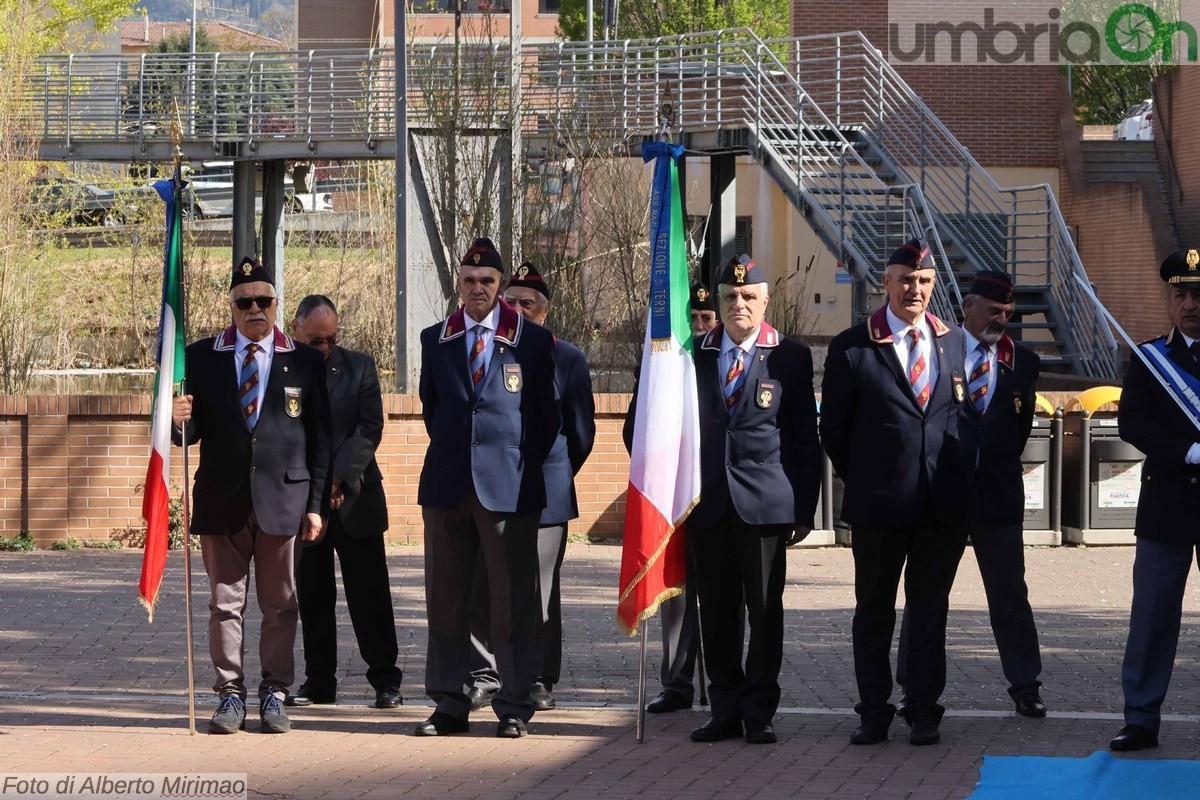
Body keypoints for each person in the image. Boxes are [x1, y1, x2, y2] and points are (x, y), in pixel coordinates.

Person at [171, 256, 331, 735]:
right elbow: (186, 437)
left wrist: (317, 504)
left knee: (280, 602)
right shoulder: (201, 357)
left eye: (263, 300)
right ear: (232, 307)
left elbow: (321, 437)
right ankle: (229, 695)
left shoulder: (303, 359)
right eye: (245, 302)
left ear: (277, 305)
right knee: (225, 602)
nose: (255, 309)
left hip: (284, 500)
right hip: (223, 499)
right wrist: (173, 416)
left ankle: (275, 692)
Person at [820, 239, 969, 747]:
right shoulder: (854, 345)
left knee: (930, 612)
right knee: (875, 612)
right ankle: (874, 711)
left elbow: (963, 419)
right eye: (906, 279)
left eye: (924, 281)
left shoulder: (954, 343)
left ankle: (924, 710)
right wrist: (867, 477)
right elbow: (833, 431)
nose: (915, 289)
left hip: (940, 507)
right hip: (879, 506)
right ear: (885, 282)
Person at [415, 237, 560, 739]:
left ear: (500, 287)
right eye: (470, 280)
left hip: (510, 488)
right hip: (448, 484)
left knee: (513, 602)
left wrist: (511, 462)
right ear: (459, 284)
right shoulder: (436, 338)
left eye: (488, 281)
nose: (478, 288)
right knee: (447, 601)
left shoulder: (533, 342)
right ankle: (450, 705)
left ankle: (516, 705)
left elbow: (545, 419)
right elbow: (433, 409)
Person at [897, 271, 1047, 718]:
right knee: (927, 594)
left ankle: (1026, 685)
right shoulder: (941, 349)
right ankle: (915, 684)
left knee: (1008, 594)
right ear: (968, 308)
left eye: (1007, 313)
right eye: (992, 311)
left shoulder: (1023, 360)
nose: (1000, 320)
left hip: (998, 497)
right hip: (943, 494)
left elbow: (1017, 429)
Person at [686, 256, 821, 745]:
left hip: (765, 504)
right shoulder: (693, 352)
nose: (738, 304)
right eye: (730, 297)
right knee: (717, 610)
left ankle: (759, 709)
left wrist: (804, 507)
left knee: (764, 611)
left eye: (748, 297)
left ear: (765, 301)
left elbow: (805, 438)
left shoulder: (789, 356)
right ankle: (724, 708)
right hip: (708, 503)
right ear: (718, 302)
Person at [467, 262, 596, 712]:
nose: (518, 308)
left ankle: (539, 676)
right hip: (495, 489)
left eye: (528, 303)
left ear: (544, 311)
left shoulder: (567, 357)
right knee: (486, 581)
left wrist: (552, 473)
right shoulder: (491, 348)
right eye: (513, 301)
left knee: (538, 590)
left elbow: (580, 433)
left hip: (545, 491)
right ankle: (486, 673)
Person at [288, 295, 404, 711]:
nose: (324, 347)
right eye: (316, 339)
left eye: (331, 339)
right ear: (296, 328)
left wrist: (339, 476)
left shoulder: (358, 366)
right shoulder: (284, 367)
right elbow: (285, 434)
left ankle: (386, 681)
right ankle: (320, 681)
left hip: (356, 497)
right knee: (313, 594)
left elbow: (370, 425)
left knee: (370, 594)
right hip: (305, 502)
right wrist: (318, 486)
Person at [1110, 248, 1200, 752]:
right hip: (1167, 505)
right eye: (1181, 294)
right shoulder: (1150, 359)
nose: (1190, 303)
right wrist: (1187, 450)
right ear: (1169, 299)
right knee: (1152, 616)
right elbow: (1133, 423)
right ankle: (1141, 717)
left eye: (1198, 294)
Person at [621, 281, 718, 714]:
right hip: (672, 497)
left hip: (716, 494)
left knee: (719, 595)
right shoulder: (660, 365)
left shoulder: (721, 360)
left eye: (705, 318)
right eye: (691, 318)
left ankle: (724, 682)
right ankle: (676, 683)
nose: (697, 326)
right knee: (675, 592)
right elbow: (634, 430)